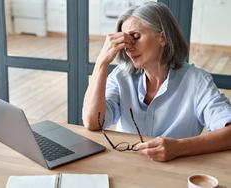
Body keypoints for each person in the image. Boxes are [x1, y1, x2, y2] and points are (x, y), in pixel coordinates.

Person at [82, 1, 231, 162]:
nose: (128, 47)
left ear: (162, 37)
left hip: (174, 174)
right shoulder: (121, 77)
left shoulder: (196, 81)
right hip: (127, 167)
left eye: (135, 37)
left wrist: (179, 147)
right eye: (125, 41)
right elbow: (93, 123)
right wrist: (101, 63)